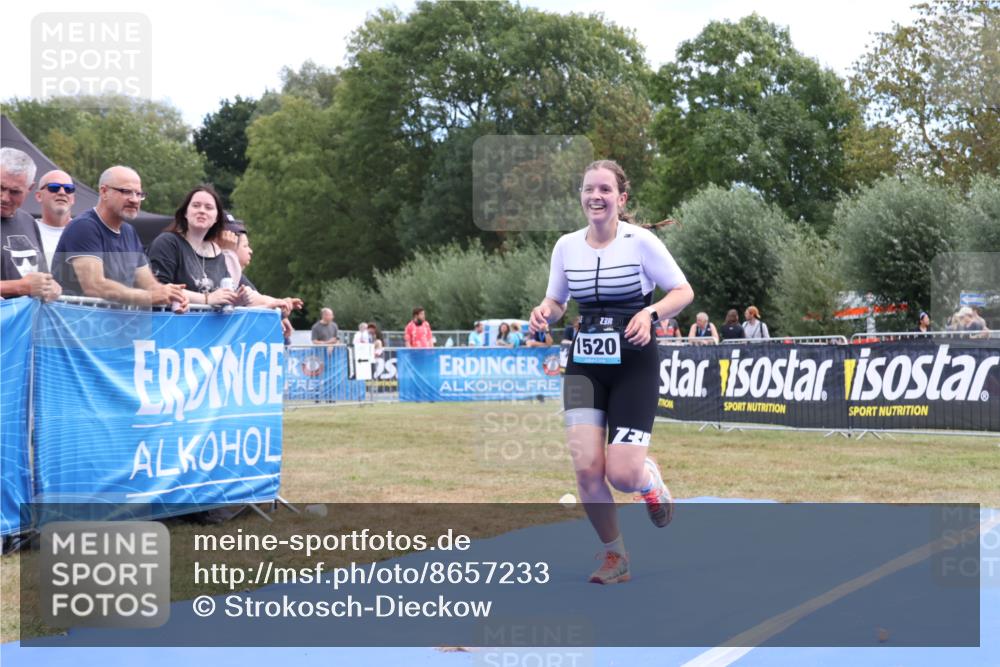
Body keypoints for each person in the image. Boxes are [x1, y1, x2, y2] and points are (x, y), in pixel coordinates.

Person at [528, 159, 693, 585]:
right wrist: (544, 313)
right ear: (581, 197)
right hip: (586, 365)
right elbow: (558, 301)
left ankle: (648, 479)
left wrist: (651, 313)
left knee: (621, 474)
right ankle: (614, 556)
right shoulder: (566, 246)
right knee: (586, 469)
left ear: (621, 198)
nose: (595, 196)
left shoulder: (641, 242)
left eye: (604, 189)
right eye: (588, 189)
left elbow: (682, 290)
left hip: (633, 363)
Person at [53, 166, 186, 310]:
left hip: (114, 328)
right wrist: (151, 297)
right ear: (104, 192)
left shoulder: (129, 232)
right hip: (76, 328)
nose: (135, 200)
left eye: (139, 193)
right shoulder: (84, 227)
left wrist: (172, 296)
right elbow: (94, 286)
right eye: (126, 192)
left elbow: (150, 285)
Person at [148, 186, 240, 308]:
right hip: (171, 323)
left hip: (209, 326)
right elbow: (158, 289)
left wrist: (239, 298)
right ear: (185, 212)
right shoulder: (168, 242)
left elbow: (224, 295)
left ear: (217, 218)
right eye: (196, 205)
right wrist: (206, 299)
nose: (202, 211)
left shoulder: (218, 253)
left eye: (209, 207)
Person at [1, 148, 61, 301]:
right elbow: (25, 285)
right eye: (0, 187)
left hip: (24, 323)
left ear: (30, 189)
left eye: (15, 192)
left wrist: (51, 286)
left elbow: (41, 276)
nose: (5, 198)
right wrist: (19, 287)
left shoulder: (28, 222)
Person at [34, 170, 76, 270]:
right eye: (54, 187)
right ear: (39, 196)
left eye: (68, 189)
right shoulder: (27, 230)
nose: (62, 192)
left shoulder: (86, 232)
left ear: (73, 199)